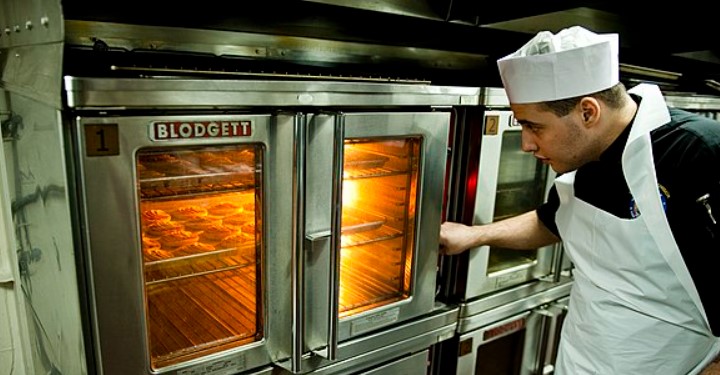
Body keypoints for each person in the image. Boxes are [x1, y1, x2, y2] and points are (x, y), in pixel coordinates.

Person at [439, 26, 720, 374]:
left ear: (588, 112)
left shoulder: (698, 154)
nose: (526, 143)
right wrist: (474, 235)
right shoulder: (587, 157)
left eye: (534, 127)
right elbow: (553, 219)